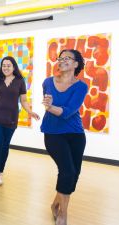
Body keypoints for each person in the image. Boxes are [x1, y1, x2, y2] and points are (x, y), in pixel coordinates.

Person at [41, 49, 88, 225]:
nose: (62, 60)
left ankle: (54, 204)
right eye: (60, 58)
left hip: (76, 134)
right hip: (53, 133)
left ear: (76, 64)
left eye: (67, 58)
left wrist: (51, 107)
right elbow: (49, 106)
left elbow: (68, 112)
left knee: (73, 174)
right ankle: (63, 213)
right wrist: (50, 107)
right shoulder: (47, 82)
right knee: (67, 171)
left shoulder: (81, 86)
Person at [0, 56, 40, 186]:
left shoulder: (20, 81)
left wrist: (30, 111)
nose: (5, 67)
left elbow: (23, 100)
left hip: (11, 118)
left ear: (14, 67)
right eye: (3, 65)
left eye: (8, 65)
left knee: (5, 145)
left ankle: (0, 171)